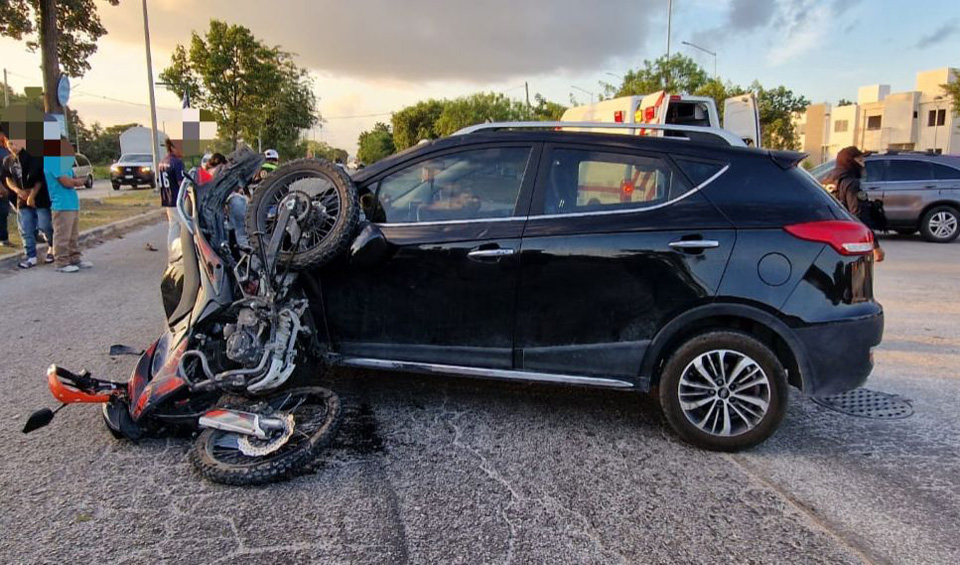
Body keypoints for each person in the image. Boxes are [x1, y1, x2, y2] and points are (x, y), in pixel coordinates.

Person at [1, 128, 55, 268]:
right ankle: (31, 256)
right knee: (25, 228)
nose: (12, 146)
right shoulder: (7, 161)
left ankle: (52, 247)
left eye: (15, 143)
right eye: (9, 144)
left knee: (45, 225)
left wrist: (32, 195)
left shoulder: (34, 157)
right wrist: (17, 190)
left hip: (39, 197)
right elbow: (7, 179)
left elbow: (40, 178)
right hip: (21, 198)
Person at [828, 146, 885, 262]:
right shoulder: (852, 184)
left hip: (829, 239)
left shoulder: (829, 180)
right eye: (859, 160)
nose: (863, 164)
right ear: (849, 162)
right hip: (848, 241)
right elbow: (859, 216)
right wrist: (875, 246)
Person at [43, 136, 88, 272]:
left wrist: (77, 180)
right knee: (62, 235)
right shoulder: (51, 161)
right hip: (61, 204)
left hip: (71, 203)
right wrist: (77, 182)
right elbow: (67, 182)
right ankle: (61, 262)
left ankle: (74, 258)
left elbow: (73, 177)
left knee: (73, 235)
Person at [158, 138, 185, 255]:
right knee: (186, 227)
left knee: (173, 227)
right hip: (177, 200)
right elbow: (181, 183)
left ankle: (172, 252)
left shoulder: (162, 162)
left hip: (167, 199)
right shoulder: (177, 163)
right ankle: (184, 253)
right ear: (172, 148)